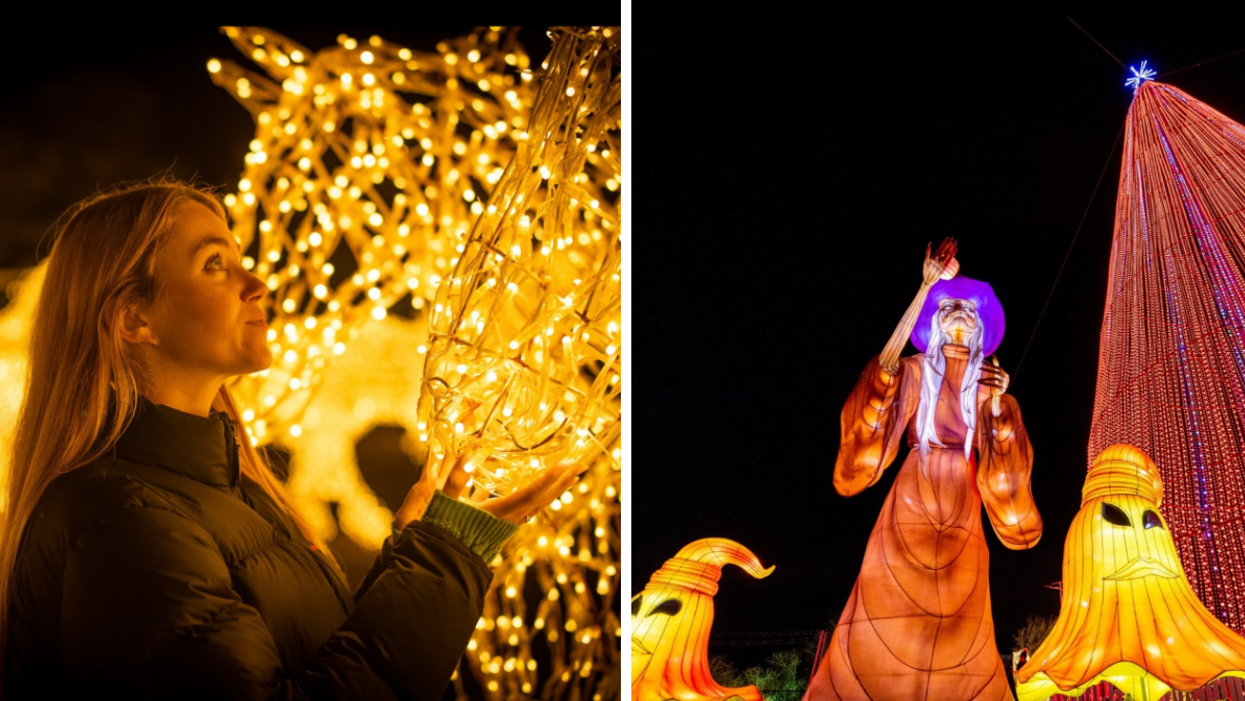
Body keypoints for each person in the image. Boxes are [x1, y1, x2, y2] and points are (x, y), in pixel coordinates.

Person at [0, 180, 579, 699]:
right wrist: (444, 557)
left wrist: (432, 546)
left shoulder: (231, 492)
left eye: (240, 260)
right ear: (135, 320)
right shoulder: (121, 520)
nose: (256, 284)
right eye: (213, 264)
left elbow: (316, 659)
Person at [805, 239, 1042, 701]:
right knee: (884, 606)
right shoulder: (915, 371)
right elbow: (883, 380)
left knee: (965, 616)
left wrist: (999, 406)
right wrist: (925, 287)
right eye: (950, 306)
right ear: (934, 319)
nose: (960, 314)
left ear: (981, 328)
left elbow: (1005, 463)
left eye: (970, 311)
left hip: (964, 499)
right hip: (914, 490)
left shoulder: (987, 384)